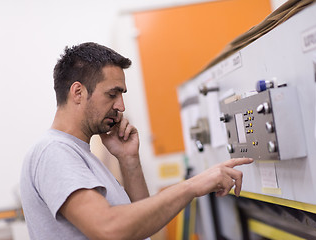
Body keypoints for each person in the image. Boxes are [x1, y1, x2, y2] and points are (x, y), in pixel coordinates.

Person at [20, 42, 253, 240]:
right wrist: (192, 186)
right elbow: (108, 227)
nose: (121, 106)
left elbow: (143, 226)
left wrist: (129, 160)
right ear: (78, 92)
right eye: (112, 94)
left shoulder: (80, 155)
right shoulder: (54, 152)